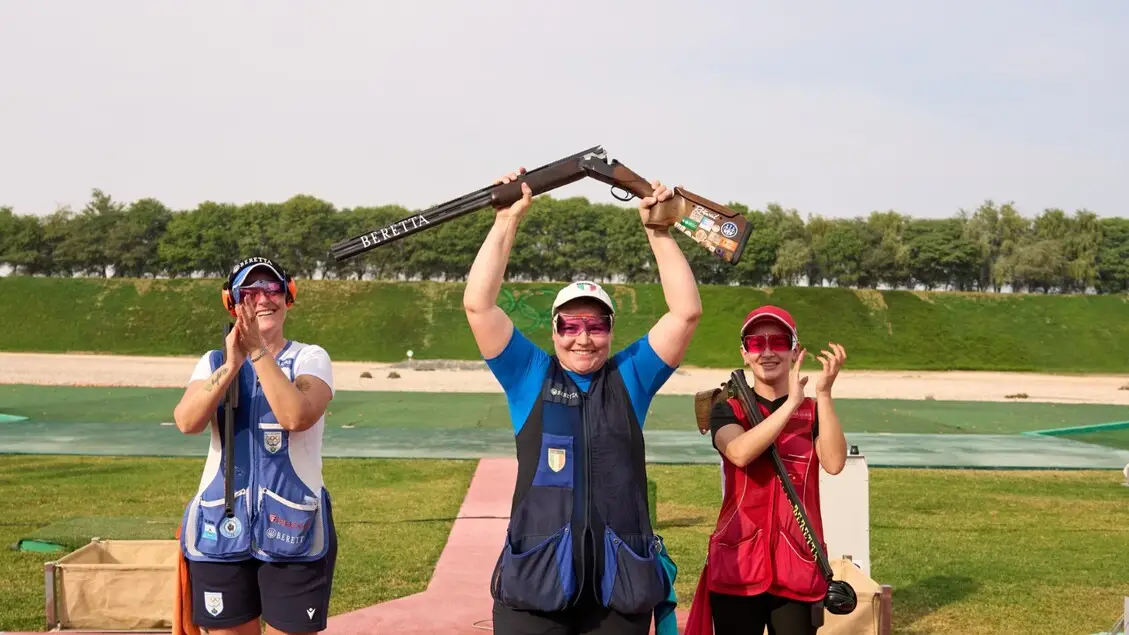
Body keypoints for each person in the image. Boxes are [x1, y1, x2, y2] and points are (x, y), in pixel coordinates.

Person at [464, 168, 701, 635]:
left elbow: (686, 312)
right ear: (553, 330)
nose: (583, 338)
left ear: (611, 330)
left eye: (596, 326)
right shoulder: (530, 375)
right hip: (535, 586)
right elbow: (479, 306)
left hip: (620, 589)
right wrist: (506, 220)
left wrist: (658, 231)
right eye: (570, 326)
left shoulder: (630, 377)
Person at [171, 256, 338, 635]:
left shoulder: (310, 358)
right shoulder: (214, 361)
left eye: (272, 288)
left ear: (288, 296)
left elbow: (296, 417)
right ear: (232, 302)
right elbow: (187, 422)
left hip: (294, 529)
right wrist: (232, 364)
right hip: (219, 526)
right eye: (249, 291)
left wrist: (258, 352)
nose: (263, 299)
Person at [685, 305, 848, 635]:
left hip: (798, 562)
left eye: (779, 341)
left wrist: (824, 394)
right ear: (745, 354)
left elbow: (834, 462)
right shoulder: (726, 409)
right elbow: (740, 452)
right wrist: (790, 406)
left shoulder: (814, 411)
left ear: (795, 351)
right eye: (757, 343)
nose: (768, 352)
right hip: (739, 563)